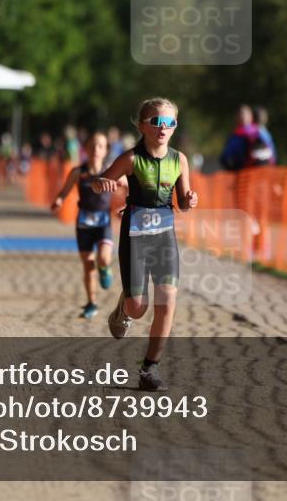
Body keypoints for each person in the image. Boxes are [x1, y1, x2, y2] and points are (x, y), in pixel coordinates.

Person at [93, 97, 199, 392]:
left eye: (169, 123)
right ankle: (124, 308)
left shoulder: (179, 160)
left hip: (164, 236)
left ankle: (149, 368)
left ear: (174, 127)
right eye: (156, 122)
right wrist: (103, 184)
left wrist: (190, 200)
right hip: (135, 236)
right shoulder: (130, 159)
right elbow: (99, 182)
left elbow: (183, 202)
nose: (163, 128)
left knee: (167, 300)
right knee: (138, 308)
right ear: (142, 126)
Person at [51, 132, 126, 319]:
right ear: (85, 148)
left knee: (103, 258)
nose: (96, 149)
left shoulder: (111, 170)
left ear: (106, 150)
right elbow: (64, 191)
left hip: (103, 221)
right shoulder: (78, 172)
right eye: (92, 145)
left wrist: (128, 203)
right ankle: (92, 303)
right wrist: (59, 200)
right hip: (83, 222)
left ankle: (105, 268)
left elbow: (128, 185)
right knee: (88, 264)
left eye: (100, 146)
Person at [219, 105, 261, 170]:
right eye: (240, 114)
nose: (243, 116)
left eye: (245, 114)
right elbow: (225, 158)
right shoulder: (235, 137)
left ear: (251, 116)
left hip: (259, 171)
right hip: (242, 171)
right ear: (236, 117)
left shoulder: (260, 133)